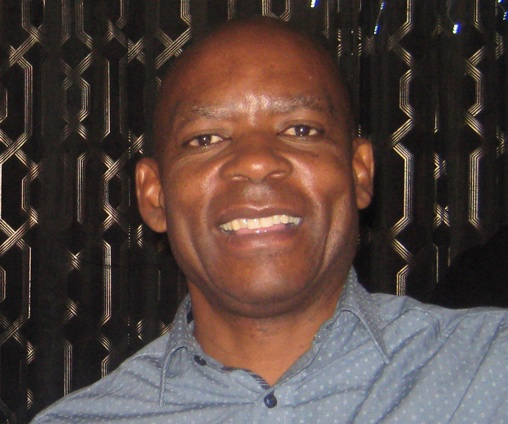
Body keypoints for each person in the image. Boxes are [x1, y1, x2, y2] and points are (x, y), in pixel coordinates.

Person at [32, 17, 508, 423]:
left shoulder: (490, 369)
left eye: (301, 129)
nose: (256, 162)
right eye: (206, 139)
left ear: (359, 173)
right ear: (154, 196)